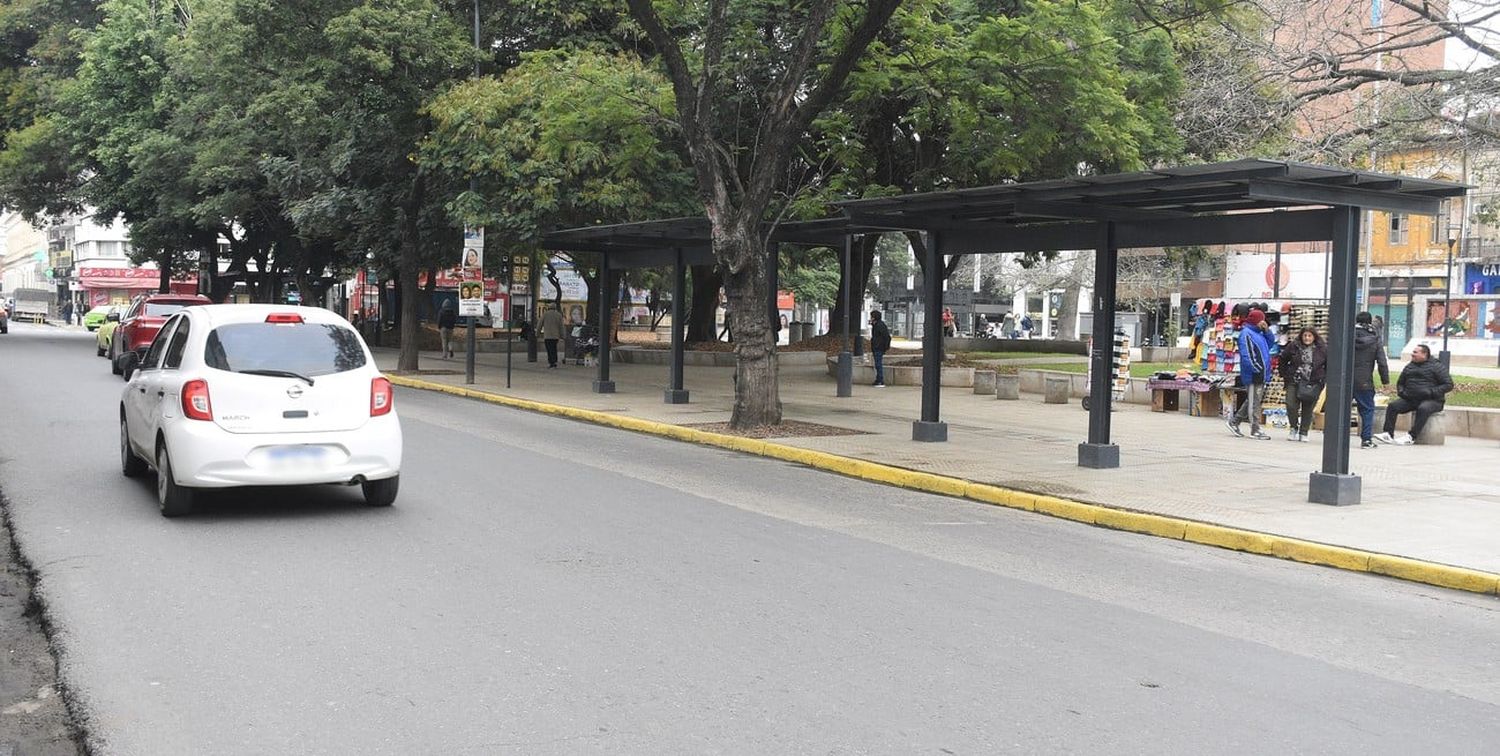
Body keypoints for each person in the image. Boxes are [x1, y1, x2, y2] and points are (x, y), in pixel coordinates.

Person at [1374, 344, 1453, 445]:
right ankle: (1388, 434)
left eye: (1415, 352)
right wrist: (1402, 393)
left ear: (1424, 354)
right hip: (1411, 399)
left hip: (1433, 400)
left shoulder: (1437, 366)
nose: (1412, 354)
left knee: (1423, 408)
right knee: (1393, 406)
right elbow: (1400, 382)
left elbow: (1448, 385)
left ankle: (1411, 436)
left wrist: (1431, 392)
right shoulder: (1410, 366)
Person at [1227, 308, 1273, 439]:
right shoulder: (1246, 334)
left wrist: (1267, 331)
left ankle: (1234, 422)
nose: (1264, 322)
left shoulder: (1259, 334)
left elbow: (1270, 344)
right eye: (1262, 320)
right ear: (1257, 320)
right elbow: (1246, 354)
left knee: (1253, 400)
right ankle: (1255, 429)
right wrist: (1256, 369)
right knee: (1254, 402)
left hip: (1260, 373)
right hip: (1254, 374)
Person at [1279, 327, 1327, 442]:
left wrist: (1322, 380)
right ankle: (1293, 427)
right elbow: (1283, 359)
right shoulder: (1294, 346)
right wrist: (1285, 374)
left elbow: (1328, 365)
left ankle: (1304, 431)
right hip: (1294, 380)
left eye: (1309, 336)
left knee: (1308, 407)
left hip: (1313, 382)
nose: (1307, 338)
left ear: (1314, 337)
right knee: (1291, 404)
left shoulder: (1322, 349)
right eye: (1305, 335)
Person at [1352, 311, 1390, 449]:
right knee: (1367, 410)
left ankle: (1337, 436)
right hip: (1364, 381)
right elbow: (1382, 362)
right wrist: (1385, 381)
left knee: (1341, 409)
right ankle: (1366, 440)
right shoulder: (1374, 339)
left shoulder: (1348, 335)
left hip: (1345, 379)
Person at [869, 310, 891, 387]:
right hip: (877, 347)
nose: (870, 318)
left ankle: (880, 381)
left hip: (878, 347)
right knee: (877, 364)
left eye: (871, 316)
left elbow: (886, 337)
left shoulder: (880, 325)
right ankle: (878, 379)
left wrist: (884, 347)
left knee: (878, 364)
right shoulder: (876, 325)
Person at [540, 303, 565, 368]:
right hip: (555, 336)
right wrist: (562, 335)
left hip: (547, 336)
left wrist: (537, 333)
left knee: (549, 349)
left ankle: (551, 362)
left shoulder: (545, 314)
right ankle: (554, 361)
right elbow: (561, 326)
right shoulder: (559, 315)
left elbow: (540, 324)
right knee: (554, 348)